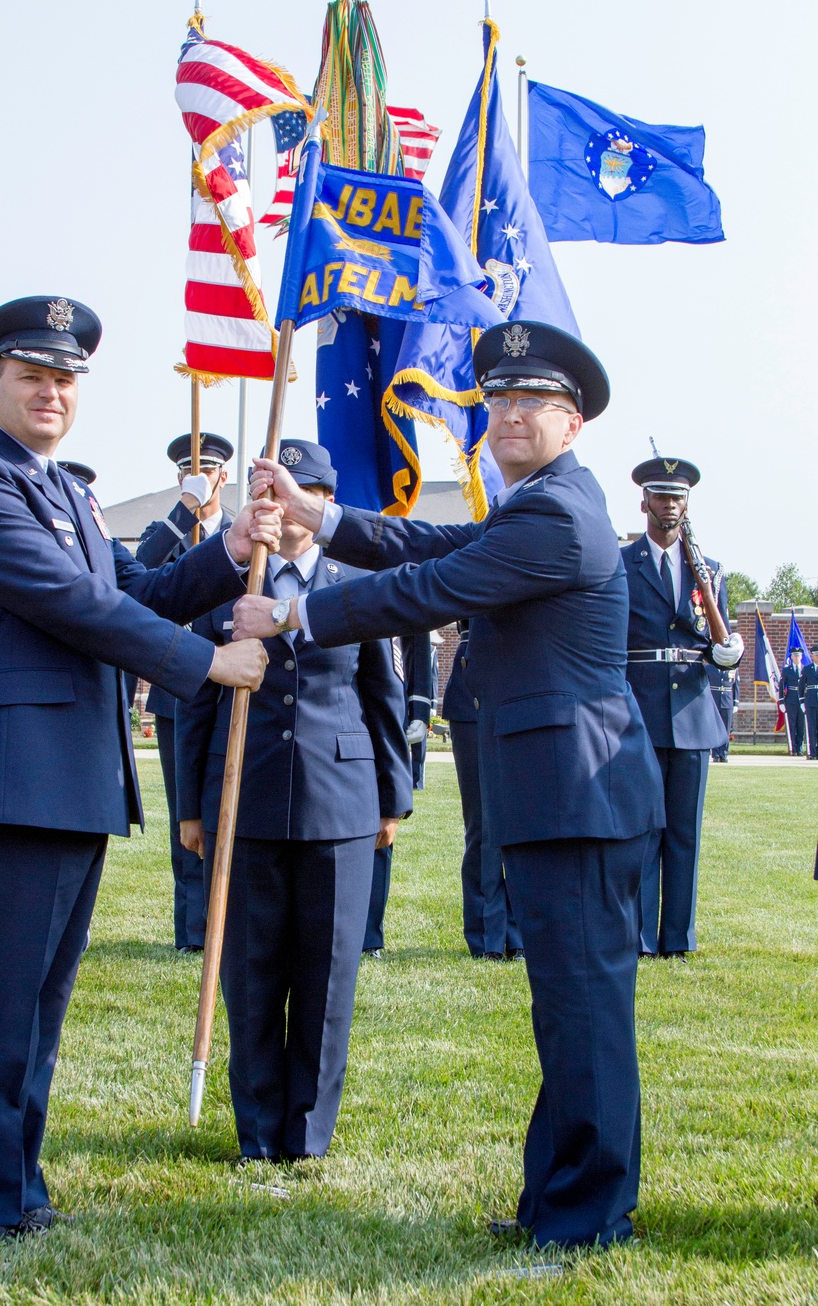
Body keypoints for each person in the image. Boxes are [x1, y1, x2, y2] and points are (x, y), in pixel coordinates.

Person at [233, 320, 665, 1251]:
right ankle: (558, 1200)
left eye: (534, 402)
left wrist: (296, 612)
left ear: (575, 422)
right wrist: (323, 517)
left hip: (580, 798)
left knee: (584, 1012)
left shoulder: (556, 512)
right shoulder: (538, 502)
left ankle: (589, 1216)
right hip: (563, 797)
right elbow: (431, 542)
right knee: (569, 1008)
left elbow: (431, 587)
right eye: (499, 400)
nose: (510, 414)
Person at [0, 295, 275, 1241]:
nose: (51, 391)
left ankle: (16, 1184)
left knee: (40, 1006)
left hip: (68, 778)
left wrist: (229, 550)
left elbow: (138, 589)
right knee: (0, 1004)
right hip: (11, 779)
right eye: (32, 375)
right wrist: (206, 662)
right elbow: (74, 605)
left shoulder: (63, 490)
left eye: (66, 378)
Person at [175, 439, 412, 1164]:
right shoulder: (224, 582)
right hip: (242, 797)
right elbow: (195, 703)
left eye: (291, 490)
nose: (276, 506)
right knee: (250, 975)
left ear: (318, 497)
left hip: (339, 802)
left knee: (327, 975)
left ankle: (307, 1134)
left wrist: (391, 800)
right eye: (265, 492)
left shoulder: (354, 584)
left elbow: (384, 699)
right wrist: (191, 806)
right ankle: (257, 1134)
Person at [623, 457, 743, 959]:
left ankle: (679, 938)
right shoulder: (621, 563)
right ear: (644, 501)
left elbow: (719, 645)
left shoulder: (708, 570)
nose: (668, 505)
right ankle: (643, 938)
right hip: (641, 710)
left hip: (692, 712)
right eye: (660, 495)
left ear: (687, 504)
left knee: (685, 834)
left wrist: (728, 649)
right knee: (644, 830)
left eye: (677, 497)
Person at [134, 431, 233, 953]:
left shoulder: (243, 531)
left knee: (230, 811)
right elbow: (140, 576)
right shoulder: (164, 531)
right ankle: (190, 929)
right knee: (185, 814)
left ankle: (225, 921)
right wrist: (184, 511)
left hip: (228, 688)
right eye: (187, 472)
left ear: (223, 474)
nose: (197, 479)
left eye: (207, 470)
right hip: (178, 689)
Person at [443, 619, 522, 960]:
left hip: (525, 679)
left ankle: (519, 934)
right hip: (472, 681)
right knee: (483, 824)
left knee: (523, 822)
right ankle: (487, 935)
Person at [362, 631, 434, 956]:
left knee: (379, 826)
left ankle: (368, 936)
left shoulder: (388, 580)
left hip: (378, 709)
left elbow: (413, 636)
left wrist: (419, 705)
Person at [706, 658, 739, 762]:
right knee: (714, 728)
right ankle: (715, 753)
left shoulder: (733, 669)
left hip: (727, 701)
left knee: (726, 729)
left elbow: (736, 686)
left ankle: (724, 753)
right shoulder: (709, 668)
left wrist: (735, 702)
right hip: (714, 701)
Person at [779, 649, 806, 756]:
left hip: (802, 699)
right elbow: (782, 685)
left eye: (798, 656)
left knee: (801, 724)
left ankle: (800, 747)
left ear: (801, 657)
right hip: (791, 699)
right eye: (794, 656)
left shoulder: (805, 669)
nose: (796, 658)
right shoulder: (787, 670)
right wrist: (781, 701)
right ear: (791, 657)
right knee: (792, 724)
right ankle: (793, 748)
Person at [801, 646, 818, 761]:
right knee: (812, 727)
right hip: (811, 701)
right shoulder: (807, 669)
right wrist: (802, 700)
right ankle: (812, 752)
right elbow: (801, 686)